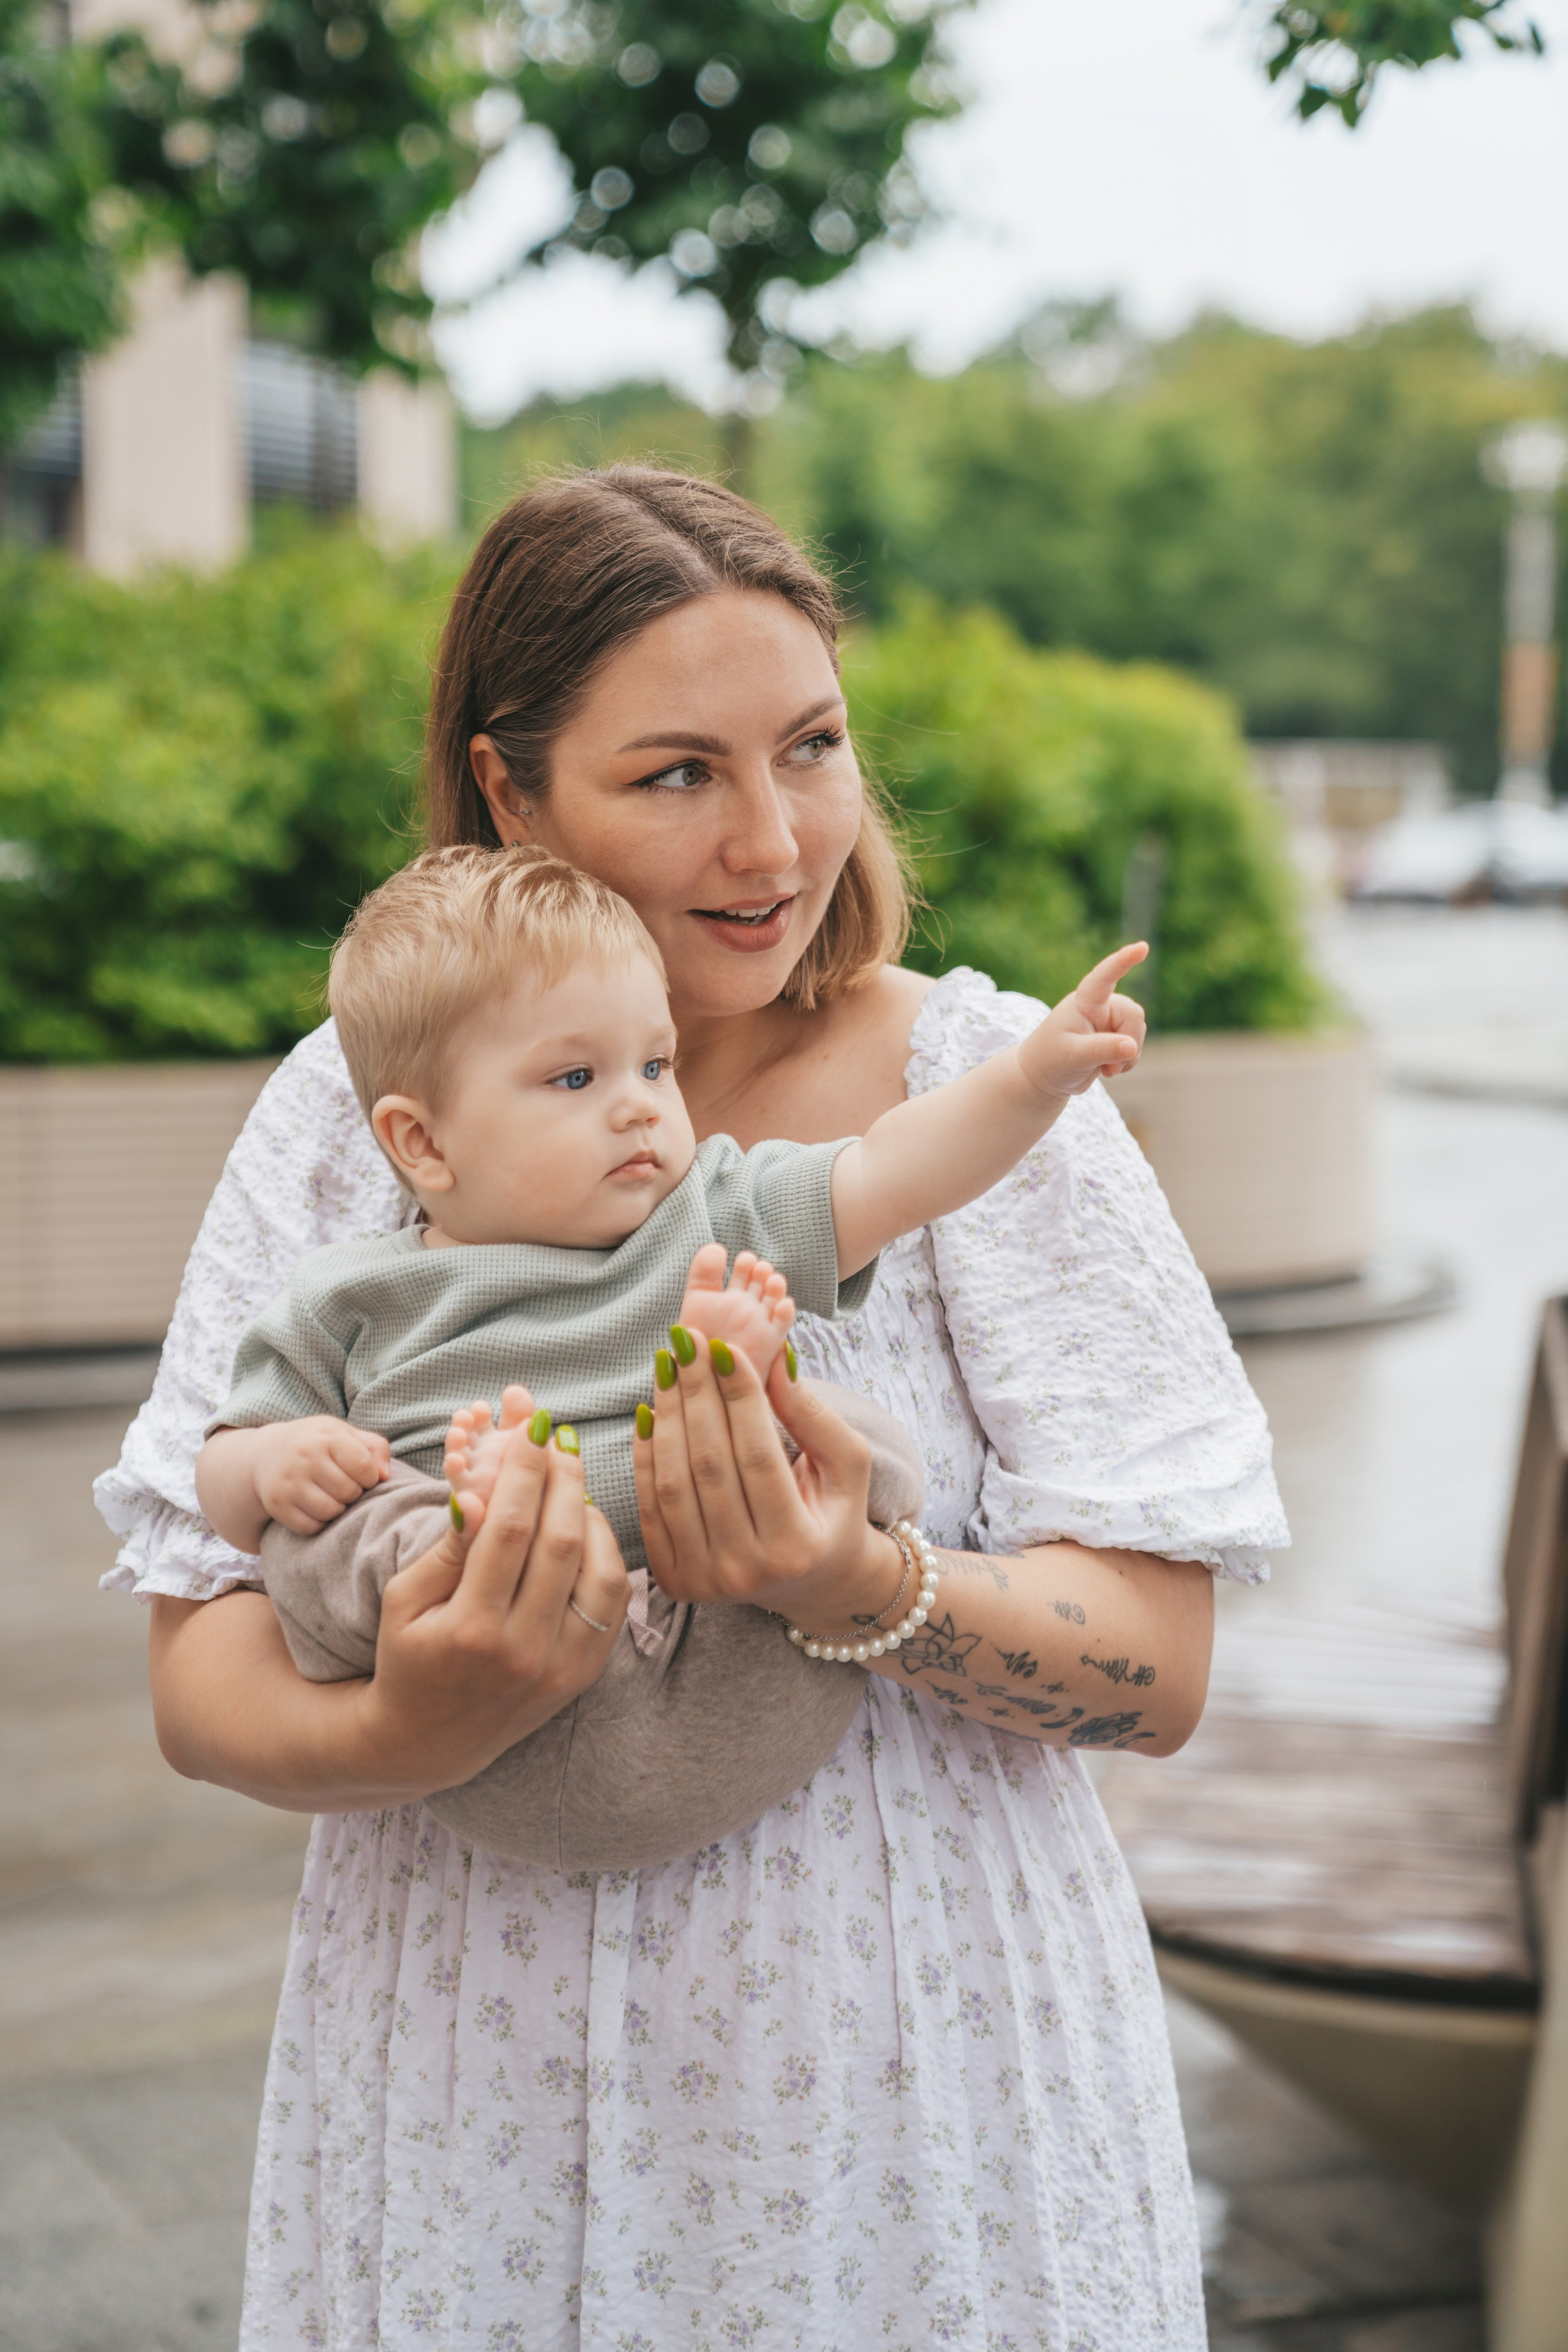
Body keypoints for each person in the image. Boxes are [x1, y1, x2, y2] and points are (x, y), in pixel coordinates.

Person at [97, 466, 1286, 2348]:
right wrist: (419, 1710)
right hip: (473, 2070)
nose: (772, 842)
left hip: (916, 2088)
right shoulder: (356, 1107)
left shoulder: (971, 1094)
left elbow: (1163, 1667)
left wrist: (855, 1585)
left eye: (810, 748)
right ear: (510, 788)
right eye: (677, 775)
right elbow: (199, 1675)